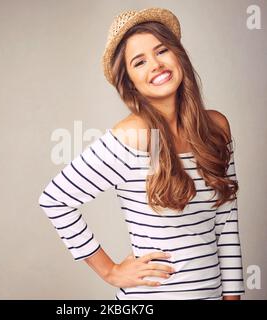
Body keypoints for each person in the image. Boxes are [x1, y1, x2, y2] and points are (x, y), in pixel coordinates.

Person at [38, 7, 245, 300]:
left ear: (178, 55)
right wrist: (110, 271)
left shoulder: (216, 127)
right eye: (139, 62)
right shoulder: (134, 135)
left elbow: (226, 223)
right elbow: (54, 200)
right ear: (130, 82)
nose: (156, 65)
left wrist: (232, 297)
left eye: (161, 51)